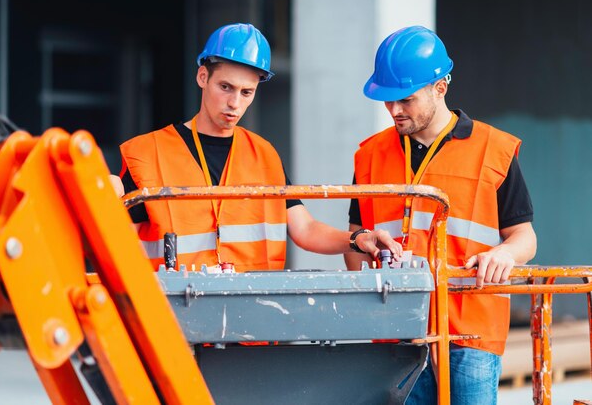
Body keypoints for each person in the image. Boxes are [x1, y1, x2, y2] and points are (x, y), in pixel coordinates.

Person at [344, 26, 537, 404]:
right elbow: (354, 238)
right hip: (397, 332)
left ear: (440, 88)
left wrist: (504, 254)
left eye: (406, 100)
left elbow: (525, 237)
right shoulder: (369, 156)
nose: (394, 110)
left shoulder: (492, 151)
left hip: (471, 331)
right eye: (388, 100)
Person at [110, 22, 402, 272]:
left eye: (246, 92)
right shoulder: (146, 155)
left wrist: (357, 239)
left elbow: (305, 229)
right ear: (203, 77)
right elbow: (115, 247)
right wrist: (100, 205)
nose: (235, 103)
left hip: (250, 327)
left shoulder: (263, 155)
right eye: (225, 87)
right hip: (171, 325)